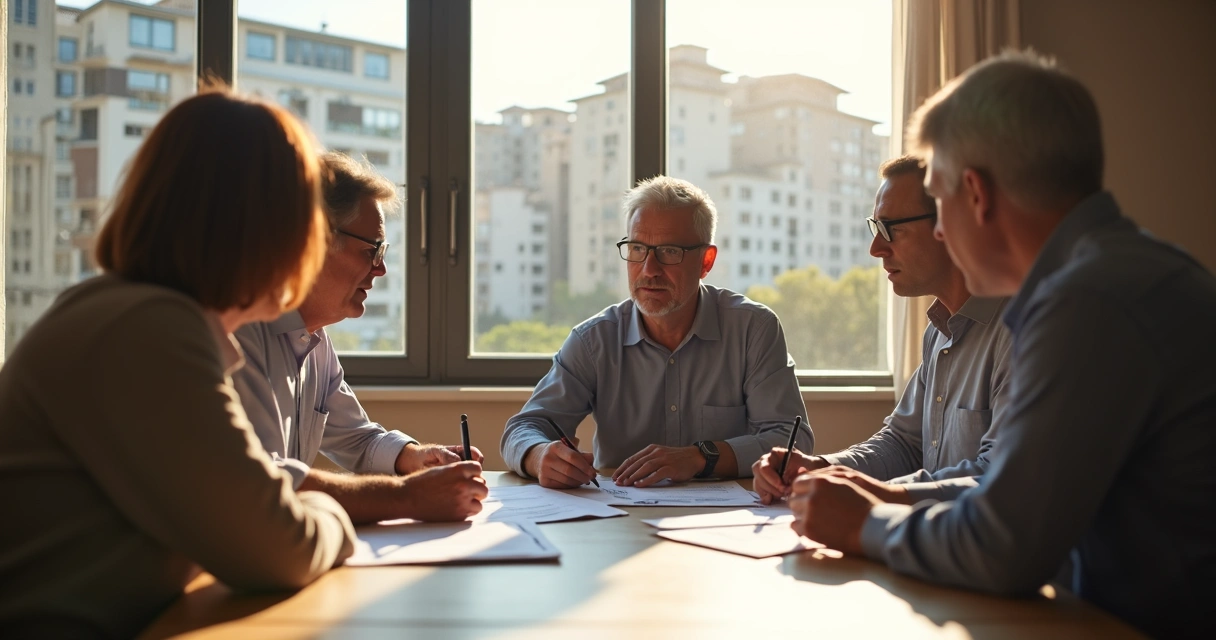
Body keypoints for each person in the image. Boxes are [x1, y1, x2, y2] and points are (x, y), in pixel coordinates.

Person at [788, 51, 1216, 638]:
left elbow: (1002, 544)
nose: (940, 230)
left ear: (976, 195)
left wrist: (865, 525)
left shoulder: (1087, 302)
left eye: (940, 203)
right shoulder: (1124, 272)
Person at [0, 87, 356, 638]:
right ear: (266, 228)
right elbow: (275, 546)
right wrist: (337, 516)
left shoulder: (137, 314)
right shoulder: (146, 328)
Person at [500, 176, 810, 489]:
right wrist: (539, 456)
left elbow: (789, 440)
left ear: (706, 261)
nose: (649, 269)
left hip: (725, 521)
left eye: (669, 251)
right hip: (620, 521)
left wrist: (699, 457)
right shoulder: (594, 341)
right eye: (637, 248)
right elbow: (524, 428)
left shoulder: (753, 330)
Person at [232, 152, 486, 525]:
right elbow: (260, 483)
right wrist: (408, 497)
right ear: (313, 242)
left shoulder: (314, 339)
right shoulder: (239, 335)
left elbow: (357, 440)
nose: (380, 270)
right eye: (372, 250)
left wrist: (416, 457)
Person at [754, 156, 1012, 505]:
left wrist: (876, 496)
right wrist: (819, 467)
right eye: (875, 228)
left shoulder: (1017, 331)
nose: (876, 249)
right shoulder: (939, 331)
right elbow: (903, 444)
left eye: (891, 228)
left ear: (949, 223)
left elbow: (997, 478)